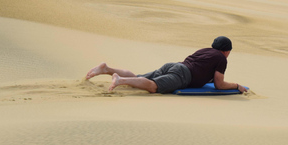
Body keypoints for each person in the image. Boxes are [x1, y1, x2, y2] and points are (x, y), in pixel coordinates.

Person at [85, 36, 248, 94]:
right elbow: (219, 85)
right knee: (153, 86)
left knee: (138, 77)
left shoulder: (205, 51)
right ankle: (120, 80)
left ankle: (106, 69)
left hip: (174, 65)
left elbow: (205, 72)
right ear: (226, 51)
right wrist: (237, 86)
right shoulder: (221, 59)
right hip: (183, 75)